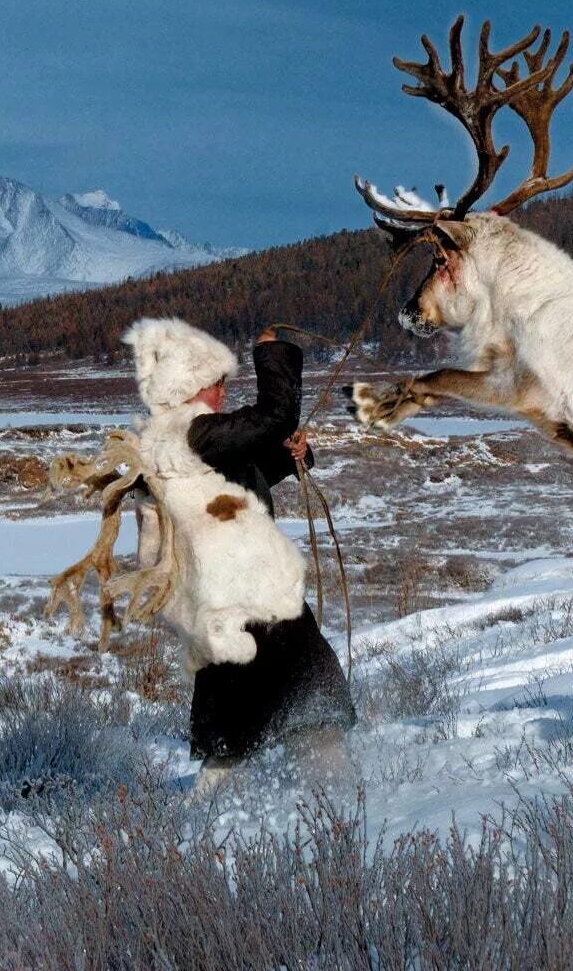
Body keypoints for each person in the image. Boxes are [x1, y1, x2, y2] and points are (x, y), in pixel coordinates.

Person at [120, 317, 356, 790]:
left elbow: (249, 467)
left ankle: (245, 826)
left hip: (241, 604)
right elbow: (274, 416)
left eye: (223, 384)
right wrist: (272, 352)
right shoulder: (193, 435)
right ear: (187, 387)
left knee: (251, 734)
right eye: (213, 385)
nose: (221, 394)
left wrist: (294, 455)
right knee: (300, 718)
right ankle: (338, 811)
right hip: (247, 609)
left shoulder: (188, 440)